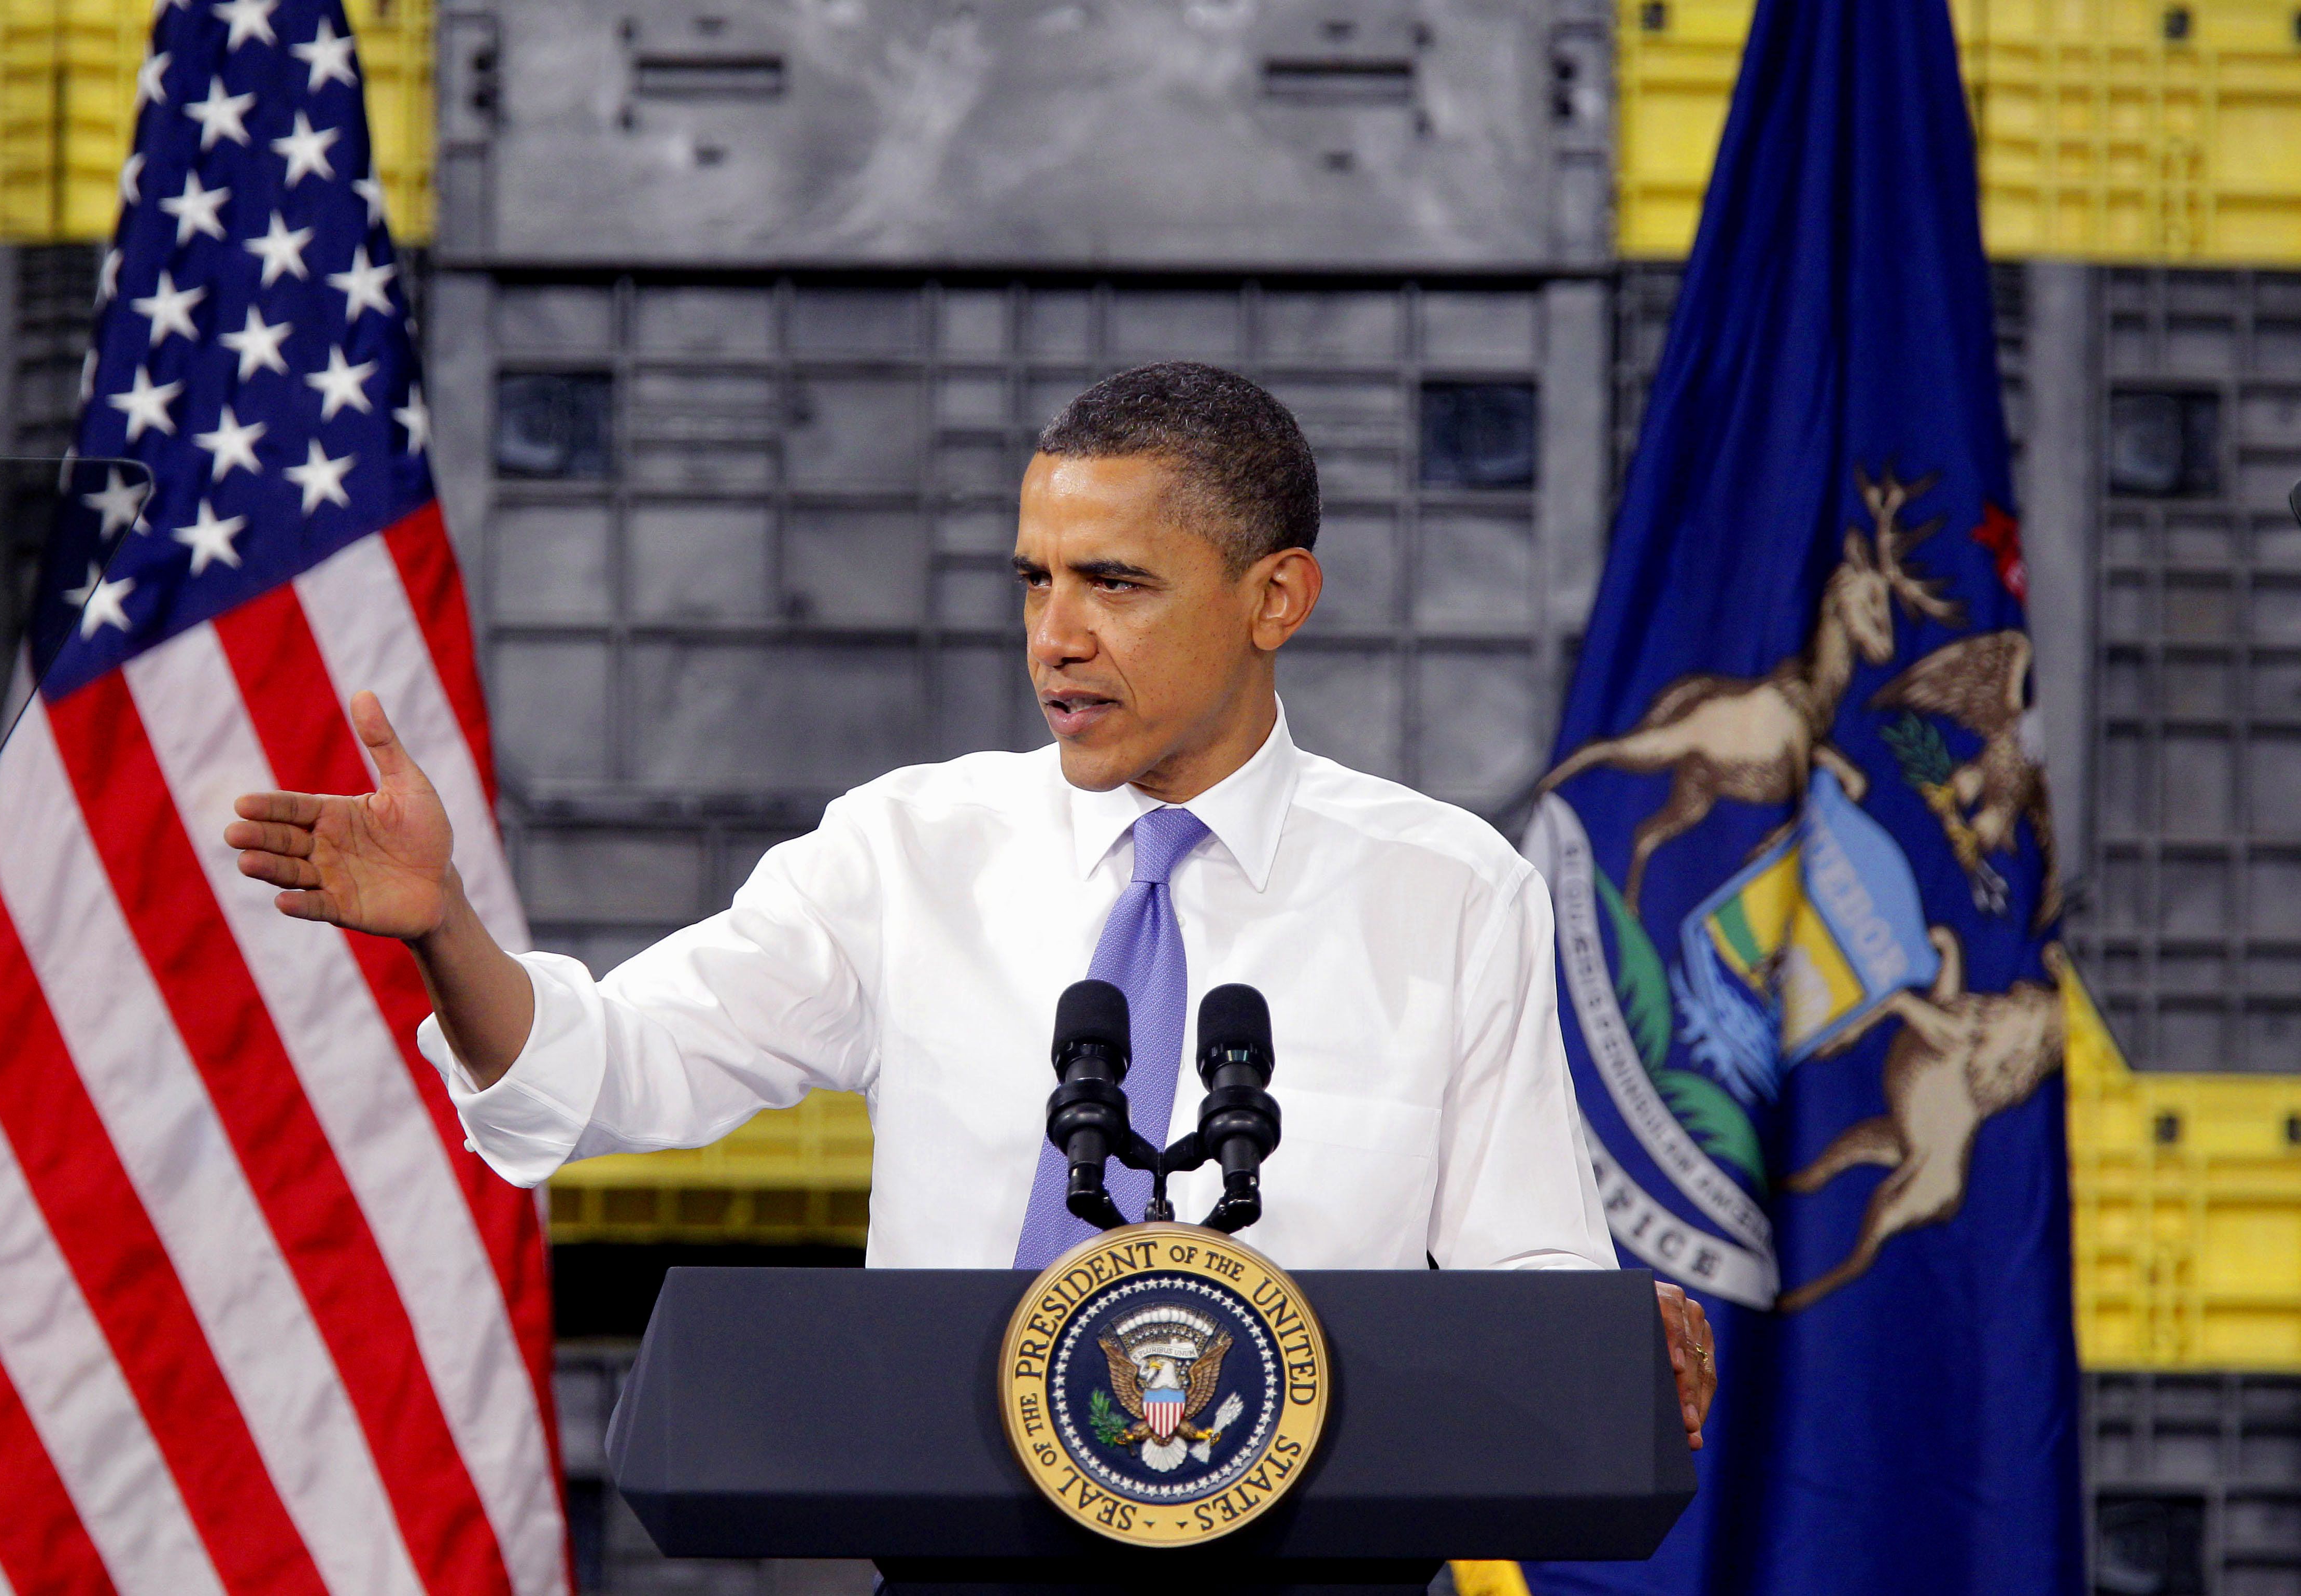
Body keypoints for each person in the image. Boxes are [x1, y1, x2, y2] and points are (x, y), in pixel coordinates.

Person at [225, 362, 1717, 1445]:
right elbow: (605, 1073)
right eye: (1034, 581)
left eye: (1115, 585)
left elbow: (1530, 1280)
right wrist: (447, 931)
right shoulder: (906, 851)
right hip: (961, 1543)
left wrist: (1597, 1343)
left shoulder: (1451, 891)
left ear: (1277, 600)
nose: (1054, 637)